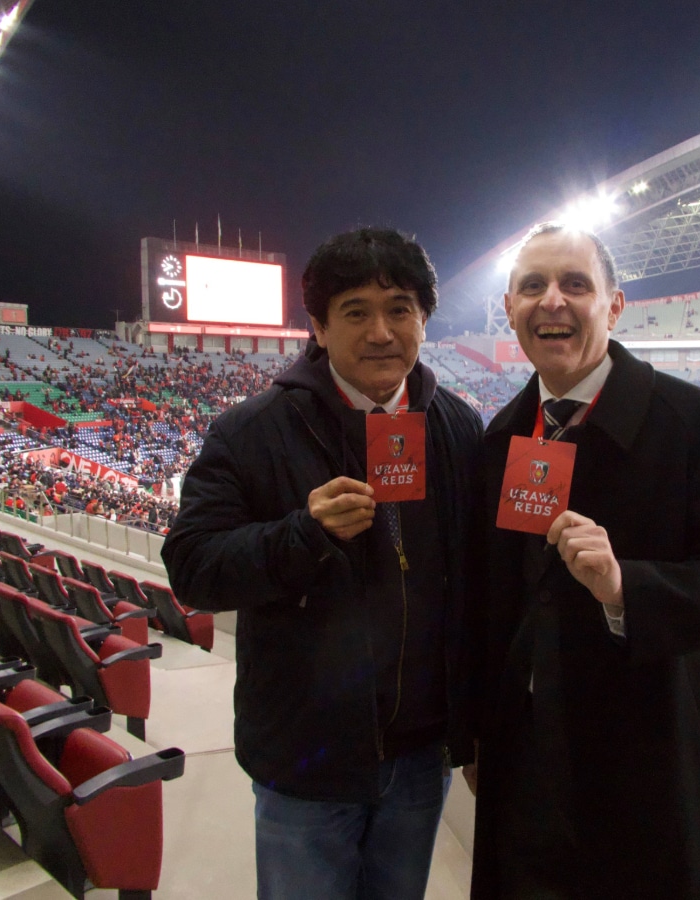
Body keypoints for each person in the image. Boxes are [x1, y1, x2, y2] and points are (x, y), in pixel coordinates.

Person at [160, 227, 484, 900]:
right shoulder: (252, 430)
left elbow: (478, 586)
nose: (380, 332)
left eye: (399, 308)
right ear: (318, 326)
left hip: (422, 755)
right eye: (356, 311)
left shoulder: (458, 427)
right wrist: (302, 534)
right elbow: (191, 566)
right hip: (305, 761)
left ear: (424, 319)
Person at [470, 223, 700, 898]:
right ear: (508, 310)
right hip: (529, 774)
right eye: (532, 286)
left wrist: (627, 589)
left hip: (656, 777)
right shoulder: (501, 437)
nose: (551, 301)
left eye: (575, 285)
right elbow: (490, 604)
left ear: (614, 307)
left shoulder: (691, 422)